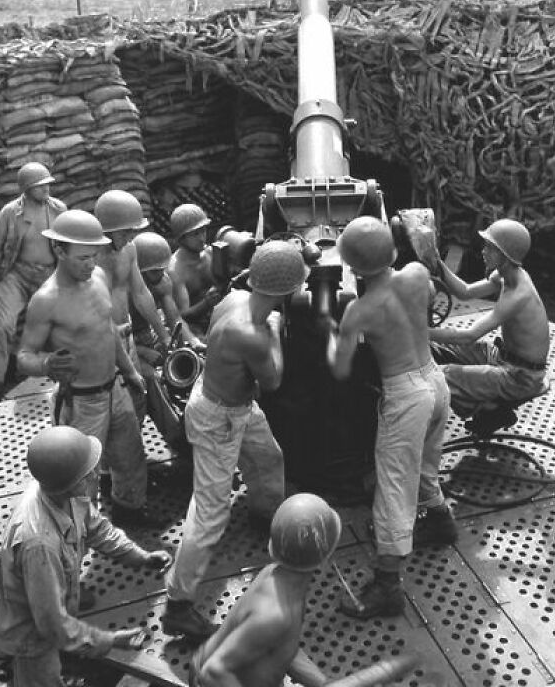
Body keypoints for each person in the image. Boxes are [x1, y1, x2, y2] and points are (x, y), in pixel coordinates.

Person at [161, 240, 307, 641]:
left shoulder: (233, 298)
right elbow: (273, 380)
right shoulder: (255, 333)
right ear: (284, 291)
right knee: (211, 511)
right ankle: (178, 605)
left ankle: (265, 516)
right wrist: (276, 328)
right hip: (219, 418)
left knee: (268, 458)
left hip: (236, 407)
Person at [327, 216, 456, 620]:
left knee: (394, 486)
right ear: (394, 251)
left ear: (352, 267)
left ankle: (386, 587)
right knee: (426, 463)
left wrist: (332, 331)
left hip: (404, 394)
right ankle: (439, 519)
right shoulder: (417, 275)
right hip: (435, 381)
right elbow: (431, 295)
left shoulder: (359, 311)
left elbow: (340, 369)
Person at [0, 425, 171, 687]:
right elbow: (51, 625)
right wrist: (107, 641)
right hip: (27, 632)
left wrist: (139, 556)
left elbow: (99, 531)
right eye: (89, 472)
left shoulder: (67, 495)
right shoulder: (39, 545)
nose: (96, 473)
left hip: (45, 607)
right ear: (72, 483)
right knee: (41, 678)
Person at [16, 209, 159, 529]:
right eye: (82, 258)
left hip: (115, 387)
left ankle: (129, 512)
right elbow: (24, 356)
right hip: (80, 402)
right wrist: (47, 364)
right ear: (59, 250)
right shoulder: (46, 300)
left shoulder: (97, 278)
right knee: (82, 477)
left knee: (131, 456)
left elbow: (106, 329)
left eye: (94, 255)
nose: (91, 264)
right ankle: (80, 535)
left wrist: (131, 372)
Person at [190, 493, 341, 687]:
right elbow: (212, 673)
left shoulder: (277, 577)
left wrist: (323, 683)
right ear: (326, 558)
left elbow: (283, 644)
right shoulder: (274, 615)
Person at [429, 218, 550, 436]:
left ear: (506, 256)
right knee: (434, 349)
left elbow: (469, 335)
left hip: (520, 377)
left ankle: (490, 410)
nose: (483, 252)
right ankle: (486, 404)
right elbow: (465, 291)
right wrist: (438, 263)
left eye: (491, 248)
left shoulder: (518, 295)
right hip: (502, 357)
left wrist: (419, 331)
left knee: (438, 376)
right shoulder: (506, 274)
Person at [0, 162, 66, 407]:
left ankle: (45, 374)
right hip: (15, 276)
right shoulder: (10, 212)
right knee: (4, 325)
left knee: (51, 325)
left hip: (48, 276)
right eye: (40, 186)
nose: (46, 189)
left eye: (48, 184)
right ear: (26, 189)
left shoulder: (58, 209)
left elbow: (68, 243)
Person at [94, 190, 176, 423]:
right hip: (100, 340)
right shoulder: (89, 259)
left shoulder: (128, 250)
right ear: (106, 228)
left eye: (134, 230)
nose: (131, 236)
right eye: (126, 231)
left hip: (126, 333)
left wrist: (163, 335)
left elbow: (141, 293)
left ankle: (135, 435)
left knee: (137, 393)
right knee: (107, 402)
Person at [132, 230, 204, 359]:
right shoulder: (125, 291)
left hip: (149, 332)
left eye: (162, 269)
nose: (160, 275)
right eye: (154, 272)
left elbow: (175, 319)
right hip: (129, 340)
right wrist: (143, 351)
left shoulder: (163, 281)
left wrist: (193, 341)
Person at [168, 203, 221, 340]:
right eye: (195, 234)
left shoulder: (210, 253)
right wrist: (206, 303)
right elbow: (182, 315)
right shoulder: (176, 270)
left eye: (203, 230)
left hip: (219, 315)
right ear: (182, 238)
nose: (202, 238)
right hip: (194, 328)